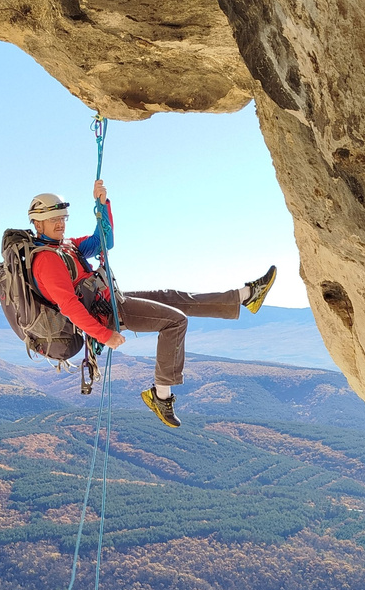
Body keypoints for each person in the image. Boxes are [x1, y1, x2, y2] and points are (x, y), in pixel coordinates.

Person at [27, 180, 276, 428]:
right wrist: (104, 336)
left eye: (63, 217)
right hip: (107, 314)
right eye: (53, 219)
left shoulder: (66, 247)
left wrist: (102, 205)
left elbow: (104, 241)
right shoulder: (47, 261)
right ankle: (161, 396)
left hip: (110, 299)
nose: (60, 223)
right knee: (175, 321)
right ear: (38, 224)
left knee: (173, 297)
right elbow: (69, 306)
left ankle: (246, 296)